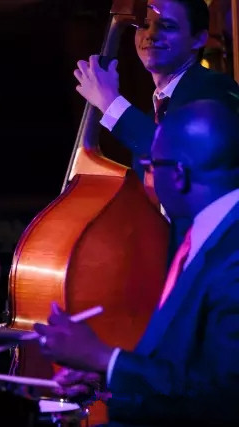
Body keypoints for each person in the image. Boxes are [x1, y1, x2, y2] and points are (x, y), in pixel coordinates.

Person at [34, 99, 239, 425]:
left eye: (151, 165)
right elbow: (187, 369)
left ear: (179, 174)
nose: (148, 177)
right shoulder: (208, 234)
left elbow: (225, 396)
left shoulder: (232, 255)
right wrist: (107, 376)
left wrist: (105, 357)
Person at [74, 0, 239, 260]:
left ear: (198, 39)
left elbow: (179, 159)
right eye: (144, 25)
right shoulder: (158, 109)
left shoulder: (215, 91)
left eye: (167, 26)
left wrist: (110, 103)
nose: (150, 35)